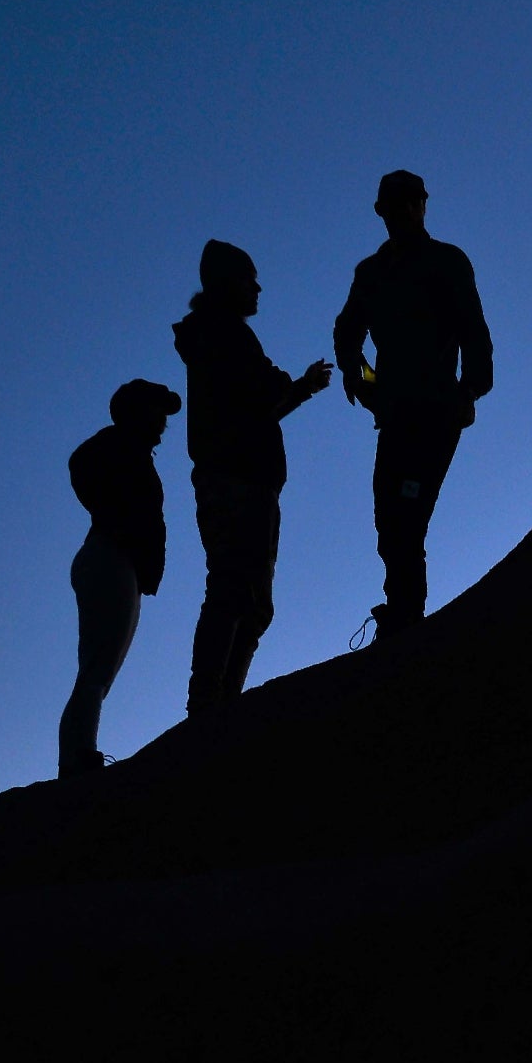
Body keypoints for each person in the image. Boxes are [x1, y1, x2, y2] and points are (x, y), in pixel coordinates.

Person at [173, 239, 331, 713]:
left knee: (247, 597)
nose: (257, 287)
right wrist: (299, 387)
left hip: (238, 478)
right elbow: (261, 394)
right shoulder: (225, 335)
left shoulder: (214, 335)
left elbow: (258, 403)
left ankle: (217, 702)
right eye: (249, 278)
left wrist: (298, 389)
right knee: (238, 592)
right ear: (228, 283)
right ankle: (211, 704)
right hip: (238, 478)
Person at [332, 171, 493, 639]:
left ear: (423, 205)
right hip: (397, 415)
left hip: (437, 412)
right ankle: (402, 614)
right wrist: (365, 381)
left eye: (411, 202)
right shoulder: (372, 273)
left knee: (406, 513)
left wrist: (470, 390)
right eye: (394, 204)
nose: (404, 211)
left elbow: (474, 331)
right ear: (381, 211)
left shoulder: (447, 262)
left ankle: (405, 617)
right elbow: (347, 335)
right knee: (390, 517)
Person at [57, 379, 180, 777]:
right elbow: (82, 464)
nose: (163, 421)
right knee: (97, 668)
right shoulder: (117, 448)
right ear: (137, 411)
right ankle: (77, 759)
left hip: (114, 559)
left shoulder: (128, 450)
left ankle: (78, 756)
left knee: (98, 669)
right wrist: (117, 518)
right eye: (157, 411)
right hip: (109, 556)